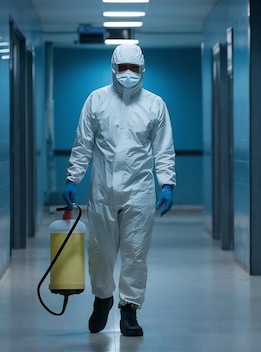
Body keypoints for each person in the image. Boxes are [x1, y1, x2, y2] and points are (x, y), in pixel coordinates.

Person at [63, 44, 176, 337]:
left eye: (134, 68)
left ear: (142, 70)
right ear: (113, 68)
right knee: (99, 251)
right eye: (123, 68)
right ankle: (102, 299)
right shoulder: (96, 100)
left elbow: (164, 149)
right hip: (102, 190)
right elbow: (83, 142)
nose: (128, 74)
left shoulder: (155, 105)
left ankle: (129, 310)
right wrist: (72, 177)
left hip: (139, 191)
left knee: (135, 252)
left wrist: (167, 183)